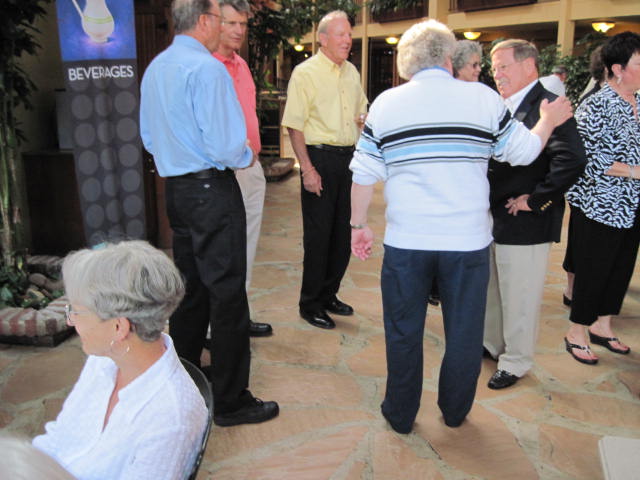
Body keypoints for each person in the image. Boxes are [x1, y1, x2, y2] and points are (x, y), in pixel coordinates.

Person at [350, 19, 573, 434]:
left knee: (403, 330)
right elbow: (524, 152)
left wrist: (358, 224)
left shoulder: (385, 104)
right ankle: (454, 411)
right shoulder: (483, 98)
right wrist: (546, 120)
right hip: (467, 242)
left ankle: (400, 413)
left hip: (407, 241)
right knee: (465, 332)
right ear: (449, 58)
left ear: (406, 60)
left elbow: (364, 173)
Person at [140, 0, 278, 426]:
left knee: (191, 289)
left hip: (177, 191)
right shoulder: (207, 69)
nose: (224, 26)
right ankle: (231, 400)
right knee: (227, 294)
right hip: (211, 190)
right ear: (204, 21)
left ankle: (186, 381)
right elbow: (225, 146)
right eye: (220, 18)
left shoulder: (157, 68)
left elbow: (149, 138)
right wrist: (246, 154)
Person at [32, 241, 207, 480]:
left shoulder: (170, 419)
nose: (71, 321)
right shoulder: (106, 359)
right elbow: (59, 437)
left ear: (118, 327)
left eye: (76, 311)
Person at [482, 40, 586, 390]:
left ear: (529, 66)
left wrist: (537, 199)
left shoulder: (550, 104)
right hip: (495, 216)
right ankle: (493, 344)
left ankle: (516, 361)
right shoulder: (502, 104)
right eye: (494, 67)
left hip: (526, 220)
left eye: (504, 66)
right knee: (495, 289)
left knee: (520, 296)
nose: (497, 74)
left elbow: (572, 159)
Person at [282, 10, 368, 330]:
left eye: (349, 35)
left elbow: (361, 112)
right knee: (319, 237)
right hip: (319, 159)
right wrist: (307, 169)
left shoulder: (352, 72)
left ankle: (329, 295)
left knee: (343, 235)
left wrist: (366, 122)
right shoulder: (305, 73)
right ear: (323, 38)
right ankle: (310, 303)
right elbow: (294, 125)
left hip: (349, 160)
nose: (348, 40)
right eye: (341, 34)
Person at [563, 31, 640, 364]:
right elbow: (588, 159)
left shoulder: (639, 101)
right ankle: (576, 331)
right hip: (600, 204)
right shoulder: (596, 104)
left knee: (621, 267)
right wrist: (636, 171)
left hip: (632, 204)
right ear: (618, 69)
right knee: (594, 269)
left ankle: (603, 325)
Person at [213, 0, 271, 337]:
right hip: (222, 172)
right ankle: (215, 326)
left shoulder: (243, 65)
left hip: (251, 169)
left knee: (246, 248)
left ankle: (239, 317)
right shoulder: (207, 67)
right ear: (214, 23)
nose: (238, 30)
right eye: (231, 23)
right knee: (222, 251)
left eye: (243, 24)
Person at [563, 45, 607, 306]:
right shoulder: (593, 100)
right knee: (580, 242)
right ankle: (572, 289)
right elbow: (582, 152)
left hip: (608, 191)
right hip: (586, 189)